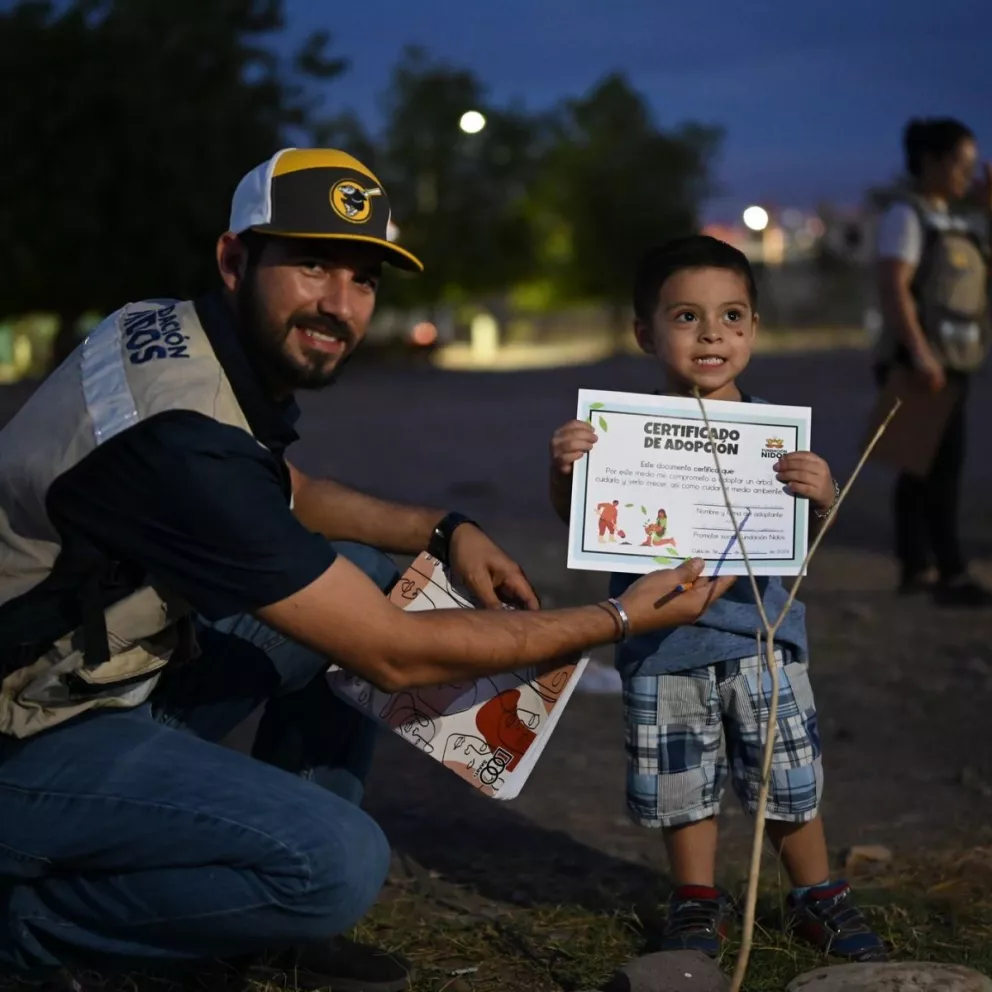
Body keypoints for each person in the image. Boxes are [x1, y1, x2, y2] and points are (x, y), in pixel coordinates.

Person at [0, 149, 735, 991]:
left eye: (363, 277)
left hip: (74, 670)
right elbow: (392, 654)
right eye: (312, 263)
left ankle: (250, 920)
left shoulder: (168, 328)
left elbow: (287, 491)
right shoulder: (181, 437)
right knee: (337, 865)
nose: (339, 305)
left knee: (359, 569)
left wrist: (443, 525)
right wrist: (619, 619)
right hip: (28, 733)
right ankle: (34, 935)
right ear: (235, 259)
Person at [548, 236, 886, 962]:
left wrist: (822, 495)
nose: (712, 334)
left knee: (788, 778)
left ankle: (816, 895)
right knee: (681, 785)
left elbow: (804, 540)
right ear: (645, 332)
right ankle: (697, 901)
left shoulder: (774, 437)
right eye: (686, 317)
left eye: (732, 315)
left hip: (763, 640)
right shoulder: (622, 437)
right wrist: (570, 469)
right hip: (662, 644)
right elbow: (579, 517)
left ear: (754, 328)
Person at [874, 117, 992, 606]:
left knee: (924, 466)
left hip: (952, 359)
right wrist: (920, 353)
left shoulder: (960, 220)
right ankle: (949, 572)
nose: (969, 172)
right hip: (921, 360)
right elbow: (893, 286)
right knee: (932, 465)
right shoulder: (906, 216)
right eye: (961, 162)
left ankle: (917, 567)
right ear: (932, 162)